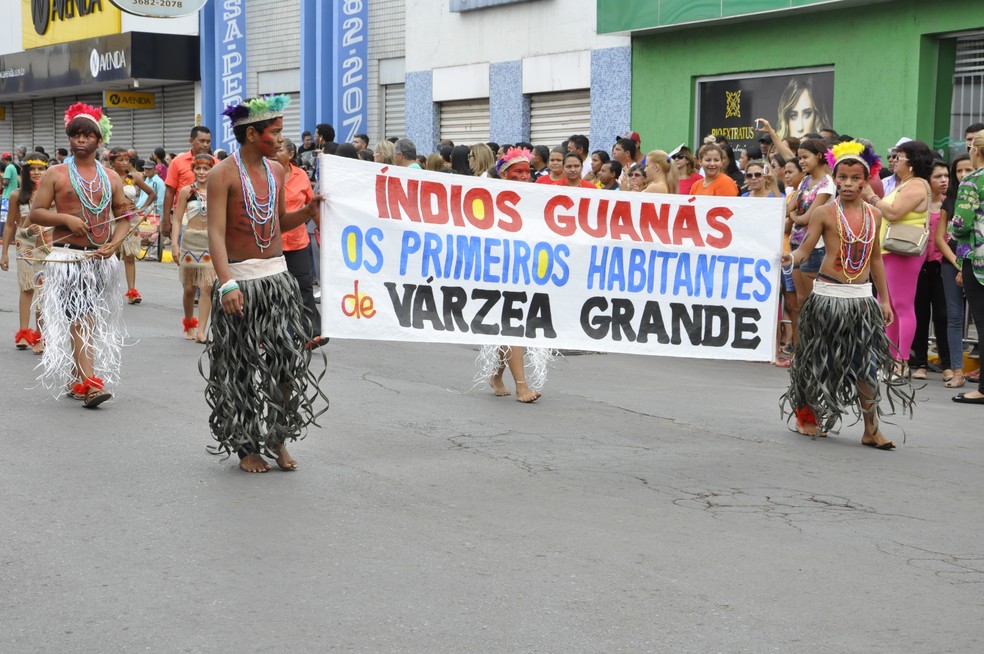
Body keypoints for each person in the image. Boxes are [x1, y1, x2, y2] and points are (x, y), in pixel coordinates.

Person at [205, 94, 327, 473]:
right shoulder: (221, 173)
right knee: (239, 367)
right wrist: (227, 285)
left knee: (287, 364)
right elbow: (216, 234)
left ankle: (278, 436)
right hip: (240, 281)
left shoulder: (277, 171)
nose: (280, 138)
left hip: (278, 280)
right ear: (253, 133)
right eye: (274, 132)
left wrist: (306, 213)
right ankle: (246, 447)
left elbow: (275, 224)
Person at [780, 141, 911, 449]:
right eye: (843, 178)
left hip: (862, 301)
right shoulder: (824, 213)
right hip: (827, 297)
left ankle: (871, 429)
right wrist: (792, 258)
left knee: (866, 365)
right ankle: (807, 417)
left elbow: (875, 258)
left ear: (866, 180)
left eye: (856, 178)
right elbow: (805, 248)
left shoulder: (875, 215)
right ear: (835, 178)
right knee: (818, 362)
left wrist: (885, 300)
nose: (849, 184)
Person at [29, 103, 135, 408]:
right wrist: (66, 220)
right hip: (68, 259)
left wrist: (115, 243)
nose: (80, 140)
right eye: (75, 134)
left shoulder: (112, 177)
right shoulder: (56, 173)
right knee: (81, 316)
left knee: (86, 318)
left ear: (99, 141)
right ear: (69, 138)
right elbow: (36, 212)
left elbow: (125, 216)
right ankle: (90, 384)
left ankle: (77, 376)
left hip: (100, 260)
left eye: (88, 135)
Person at [477, 147, 551, 403]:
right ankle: (522, 387)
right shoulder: (491, 196)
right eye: (516, 172)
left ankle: (497, 376)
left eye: (526, 172)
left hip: (526, 268)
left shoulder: (536, 196)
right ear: (504, 174)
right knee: (513, 326)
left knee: (513, 326)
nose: (522, 176)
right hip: (499, 270)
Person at [861, 139, 933, 374]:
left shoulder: (917, 185)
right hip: (889, 251)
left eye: (898, 157)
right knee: (889, 306)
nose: (893, 161)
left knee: (902, 306)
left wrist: (871, 196)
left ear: (911, 163)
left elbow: (893, 213)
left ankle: (901, 360)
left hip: (902, 252)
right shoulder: (907, 184)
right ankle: (892, 358)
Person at [0, 153, 52, 353]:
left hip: (47, 244)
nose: (37, 173)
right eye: (33, 169)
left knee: (43, 291)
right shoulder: (16, 195)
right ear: (26, 171)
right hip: (25, 244)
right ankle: (23, 333)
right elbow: (10, 226)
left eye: (41, 168)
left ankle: (40, 336)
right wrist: (4, 253)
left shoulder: (52, 194)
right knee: (27, 288)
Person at [274, 138, 322, 345]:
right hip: (271, 244)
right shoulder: (264, 175)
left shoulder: (301, 176)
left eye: (280, 150)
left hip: (297, 242)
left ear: (291, 154)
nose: (275, 153)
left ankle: (312, 332)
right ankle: (270, 333)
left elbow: (312, 207)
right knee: (274, 290)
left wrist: (324, 231)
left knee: (303, 286)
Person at [910, 160, 954, 382]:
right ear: (928, 180)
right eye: (938, 176)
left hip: (943, 266)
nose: (943, 180)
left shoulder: (951, 204)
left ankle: (947, 364)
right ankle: (919, 363)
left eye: (946, 176)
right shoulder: (919, 203)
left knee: (943, 316)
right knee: (919, 315)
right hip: (918, 266)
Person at [948, 132, 984, 404]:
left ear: (977, 151)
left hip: (979, 259)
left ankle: (983, 389)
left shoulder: (973, 180)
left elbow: (962, 223)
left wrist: (951, 227)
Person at [170, 154, 216, 343]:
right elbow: (178, 219)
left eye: (206, 168)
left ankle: (202, 331)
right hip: (190, 241)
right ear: (193, 170)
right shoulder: (186, 192)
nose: (202, 172)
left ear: (212, 170)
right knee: (189, 289)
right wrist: (174, 244)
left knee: (207, 287)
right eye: (198, 168)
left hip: (209, 242)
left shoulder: (217, 191)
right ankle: (190, 324)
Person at [789, 139, 833, 308]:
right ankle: (803, 335)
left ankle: (816, 335)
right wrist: (794, 214)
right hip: (795, 242)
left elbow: (808, 218)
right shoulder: (805, 181)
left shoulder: (827, 183)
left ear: (819, 156)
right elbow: (788, 208)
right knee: (801, 300)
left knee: (812, 302)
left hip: (814, 246)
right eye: (799, 158)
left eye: (805, 157)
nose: (801, 162)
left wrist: (794, 215)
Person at [109, 148, 156, 303]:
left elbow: (152, 194)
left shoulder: (134, 177)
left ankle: (132, 292)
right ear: (112, 162)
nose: (124, 163)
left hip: (130, 220)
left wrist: (141, 208)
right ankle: (109, 291)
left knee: (129, 257)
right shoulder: (106, 177)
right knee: (111, 257)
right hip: (111, 220)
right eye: (120, 160)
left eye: (126, 160)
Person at [162, 127, 213, 239]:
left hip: (210, 222)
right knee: (183, 254)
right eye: (202, 141)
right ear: (191, 141)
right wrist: (166, 219)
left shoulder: (217, 164)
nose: (205, 145)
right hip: (183, 220)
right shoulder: (177, 162)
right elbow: (170, 192)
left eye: (208, 142)